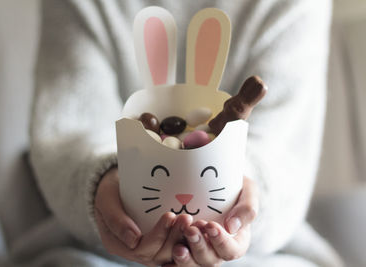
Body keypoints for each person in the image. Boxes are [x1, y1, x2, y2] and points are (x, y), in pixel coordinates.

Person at [28, 0, 342, 266]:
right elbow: (68, 130)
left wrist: (237, 202)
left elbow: (284, 156)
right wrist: (103, 185)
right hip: (91, 244)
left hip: (262, 249)